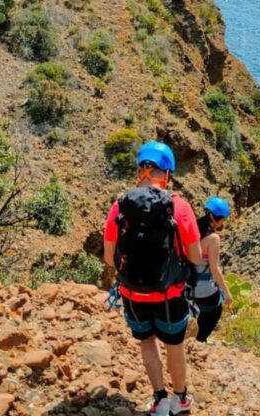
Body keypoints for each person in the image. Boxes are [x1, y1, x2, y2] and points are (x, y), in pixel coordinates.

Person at [103, 141, 201, 416]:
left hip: (132, 293)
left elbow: (109, 258)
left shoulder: (120, 206)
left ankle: (159, 398)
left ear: (140, 171)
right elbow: (194, 257)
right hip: (169, 295)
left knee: (147, 342)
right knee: (174, 346)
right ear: (167, 174)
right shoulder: (178, 207)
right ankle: (179, 400)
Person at [191, 196, 233, 343]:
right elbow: (215, 269)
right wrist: (227, 293)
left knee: (200, 313)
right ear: (214, 218)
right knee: (214, 312)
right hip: (203, 289)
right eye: (222, 219)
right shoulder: (213, 239)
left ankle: (191, 336)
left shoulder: (192, 227)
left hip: (186, 284)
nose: (222, 222)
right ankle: (198, 342)